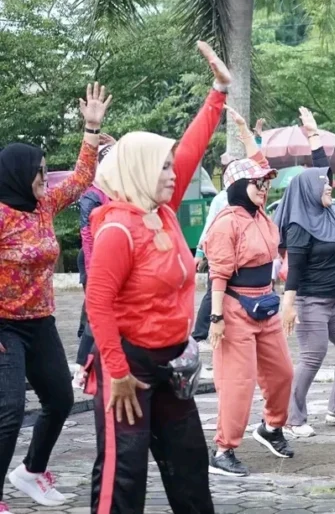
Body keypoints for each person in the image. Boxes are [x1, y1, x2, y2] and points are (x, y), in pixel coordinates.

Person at [85, 41, 228, 513]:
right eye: (162, 166)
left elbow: (190, 149)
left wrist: (217, 92)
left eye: (170, 165)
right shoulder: (118, 230)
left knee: (188, 462)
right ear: (142, 171)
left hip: (171, 363)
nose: (172, 173)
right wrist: (118, 374)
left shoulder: (160, 212)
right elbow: (97, 305)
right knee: (123, 472)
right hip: (127, 366)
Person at [0, 84, 110, 510]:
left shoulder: (43, 206)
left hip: (40, 321)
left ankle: (30, 471)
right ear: (16, 174)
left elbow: (82, 179)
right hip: (5, 325)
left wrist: (91, 128)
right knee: (9, 410)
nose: (46, 178)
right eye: (40, 172)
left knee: (61, 399)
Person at [204, 134, 294, 478]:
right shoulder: (227, 222)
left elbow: (266, 167)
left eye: (265, 183)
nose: (263, 187)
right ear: (239, 185)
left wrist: (247, 133)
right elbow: (219, 274)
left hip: (265, 306)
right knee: (238, 383)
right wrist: (216, 318)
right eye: (256, 183)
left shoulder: (261, 217)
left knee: (283, 373)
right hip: (234, 308)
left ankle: (271, 428)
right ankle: (223, 450)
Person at [278, 108, 335, 437]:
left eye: (328, 184)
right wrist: (288, 306)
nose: (329, 187)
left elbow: (322, 171)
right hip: (310, 302)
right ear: (308, 192)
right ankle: (291, 417)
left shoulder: (326, 215)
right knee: (313, 356)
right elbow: (296, 270)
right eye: (324, 186)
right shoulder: (302, 225)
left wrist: (314, 135)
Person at [192, 118, 264, 344]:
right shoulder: (222, 198)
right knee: (215, 288)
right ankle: (200, 331)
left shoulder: (252, 195)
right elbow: (210, 225)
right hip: (222, 251)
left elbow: (260, 167)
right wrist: (200, 254)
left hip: (242, 253)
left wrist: (255, 138)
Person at [74, 136, 116, 389]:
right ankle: (81, 369)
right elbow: (87, 236)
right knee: (95, 315)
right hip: (94, 259)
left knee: (99, 316)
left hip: (113, 260)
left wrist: (119, 144)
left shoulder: (117, 191)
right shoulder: (92, 195)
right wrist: (94, 272)